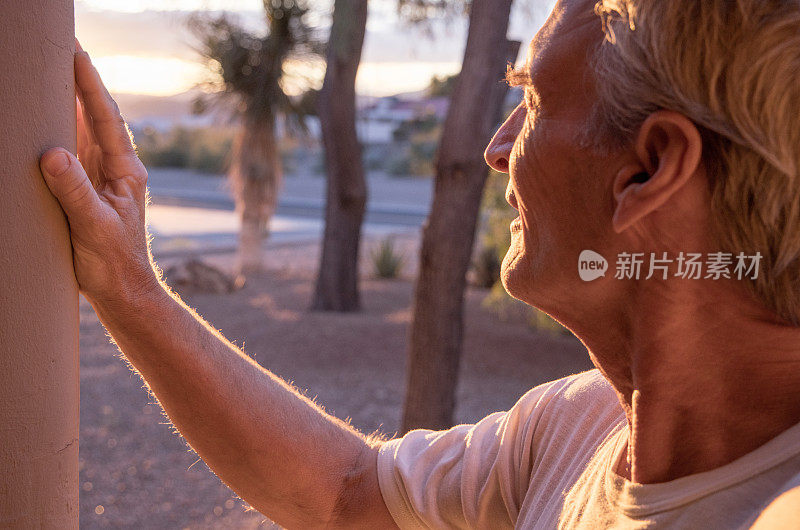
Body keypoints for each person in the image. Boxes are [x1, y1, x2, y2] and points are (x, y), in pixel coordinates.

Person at [40, 0, 800, 527]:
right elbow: (343, 496)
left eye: (532, 103)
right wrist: (128, 284)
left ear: (651, 169)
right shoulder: (580, 424)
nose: (496, 151)